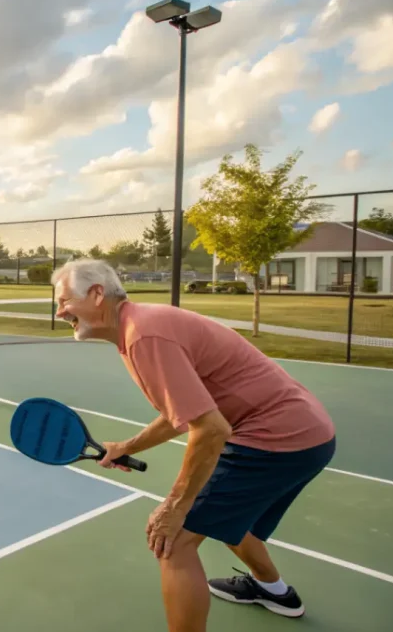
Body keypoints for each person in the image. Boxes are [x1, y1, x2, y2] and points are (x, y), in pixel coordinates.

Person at [51, 258, 336, 632]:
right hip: (309, 434)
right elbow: (184, 412)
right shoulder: (139, 326)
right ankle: (276, 592)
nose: (59, 312)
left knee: (173, 541)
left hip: (274, 437)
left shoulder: (143, 336)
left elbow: (210, 429)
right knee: (229, 518)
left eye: (64, 301)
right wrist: (128, 445)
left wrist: (175, 507)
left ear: (97, 294)